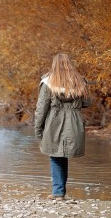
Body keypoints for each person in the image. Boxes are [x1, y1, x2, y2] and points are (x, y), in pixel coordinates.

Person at [34, 53, 90, 201]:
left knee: (55, 155)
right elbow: (87, 102)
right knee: (62, 156)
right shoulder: (80, 81)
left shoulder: (47, 83)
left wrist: (38, 130)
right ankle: (60, 191)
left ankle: (58, 192)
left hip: (55, 121)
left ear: (54, 65)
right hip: (74, 121)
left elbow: (41, 109)